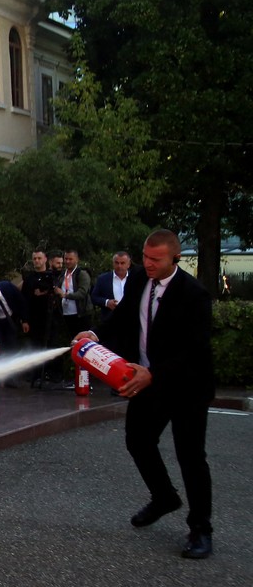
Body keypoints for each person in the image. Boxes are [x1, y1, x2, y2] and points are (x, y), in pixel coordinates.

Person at [73, 229, 214, 559]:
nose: (148, 264)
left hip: (186, 386)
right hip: (146, 380)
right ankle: (164, 497)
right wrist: (94, 333)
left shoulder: (194, 294)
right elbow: (121, 316)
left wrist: (155, 373)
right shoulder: (139, 278)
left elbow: (195, 350)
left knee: (191, 456)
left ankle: (201, 530)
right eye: (145, 257)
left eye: (156, 259)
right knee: (137, 440)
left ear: (174, 258)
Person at [55, 249, 92, 387]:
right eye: (66, 259)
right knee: (73, 345)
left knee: (84, 345)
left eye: (70, 259)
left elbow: (82, 293)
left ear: (76, 260)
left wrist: (65, 295)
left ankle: (86, 377)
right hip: (66, 314)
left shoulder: (82, 274)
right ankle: (76, 376)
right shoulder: (62, 275)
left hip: (81, 314)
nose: (68, 261)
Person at [21, 250, 57, 387]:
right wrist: (24, 320)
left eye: (39, 258)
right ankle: (35, 375)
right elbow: (24, 301)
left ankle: (51, 373)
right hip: (34, 320)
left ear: (45, 259)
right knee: (35, 347)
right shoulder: (29, 279)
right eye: (34, 258)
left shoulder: (53, 276)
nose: (37, 261)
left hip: (51, 318)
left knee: (51, 345)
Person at [91, 250, 132, 324]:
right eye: (117, 263)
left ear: (128, 264)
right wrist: (107, 302)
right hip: (110, 321)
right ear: (113, 264)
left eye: (122, 263)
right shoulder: (103, 279)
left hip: (130, 320)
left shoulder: (134, 278)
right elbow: (94, 297)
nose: (119, 266)